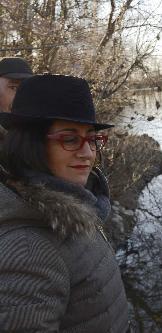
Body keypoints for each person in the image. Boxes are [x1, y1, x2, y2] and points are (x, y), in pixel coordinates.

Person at [0, 74, 129, 331]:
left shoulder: (78, 201)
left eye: (92, 139)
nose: (88, 152)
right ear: (31, 145)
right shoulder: (28, 251)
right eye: (70, 139)